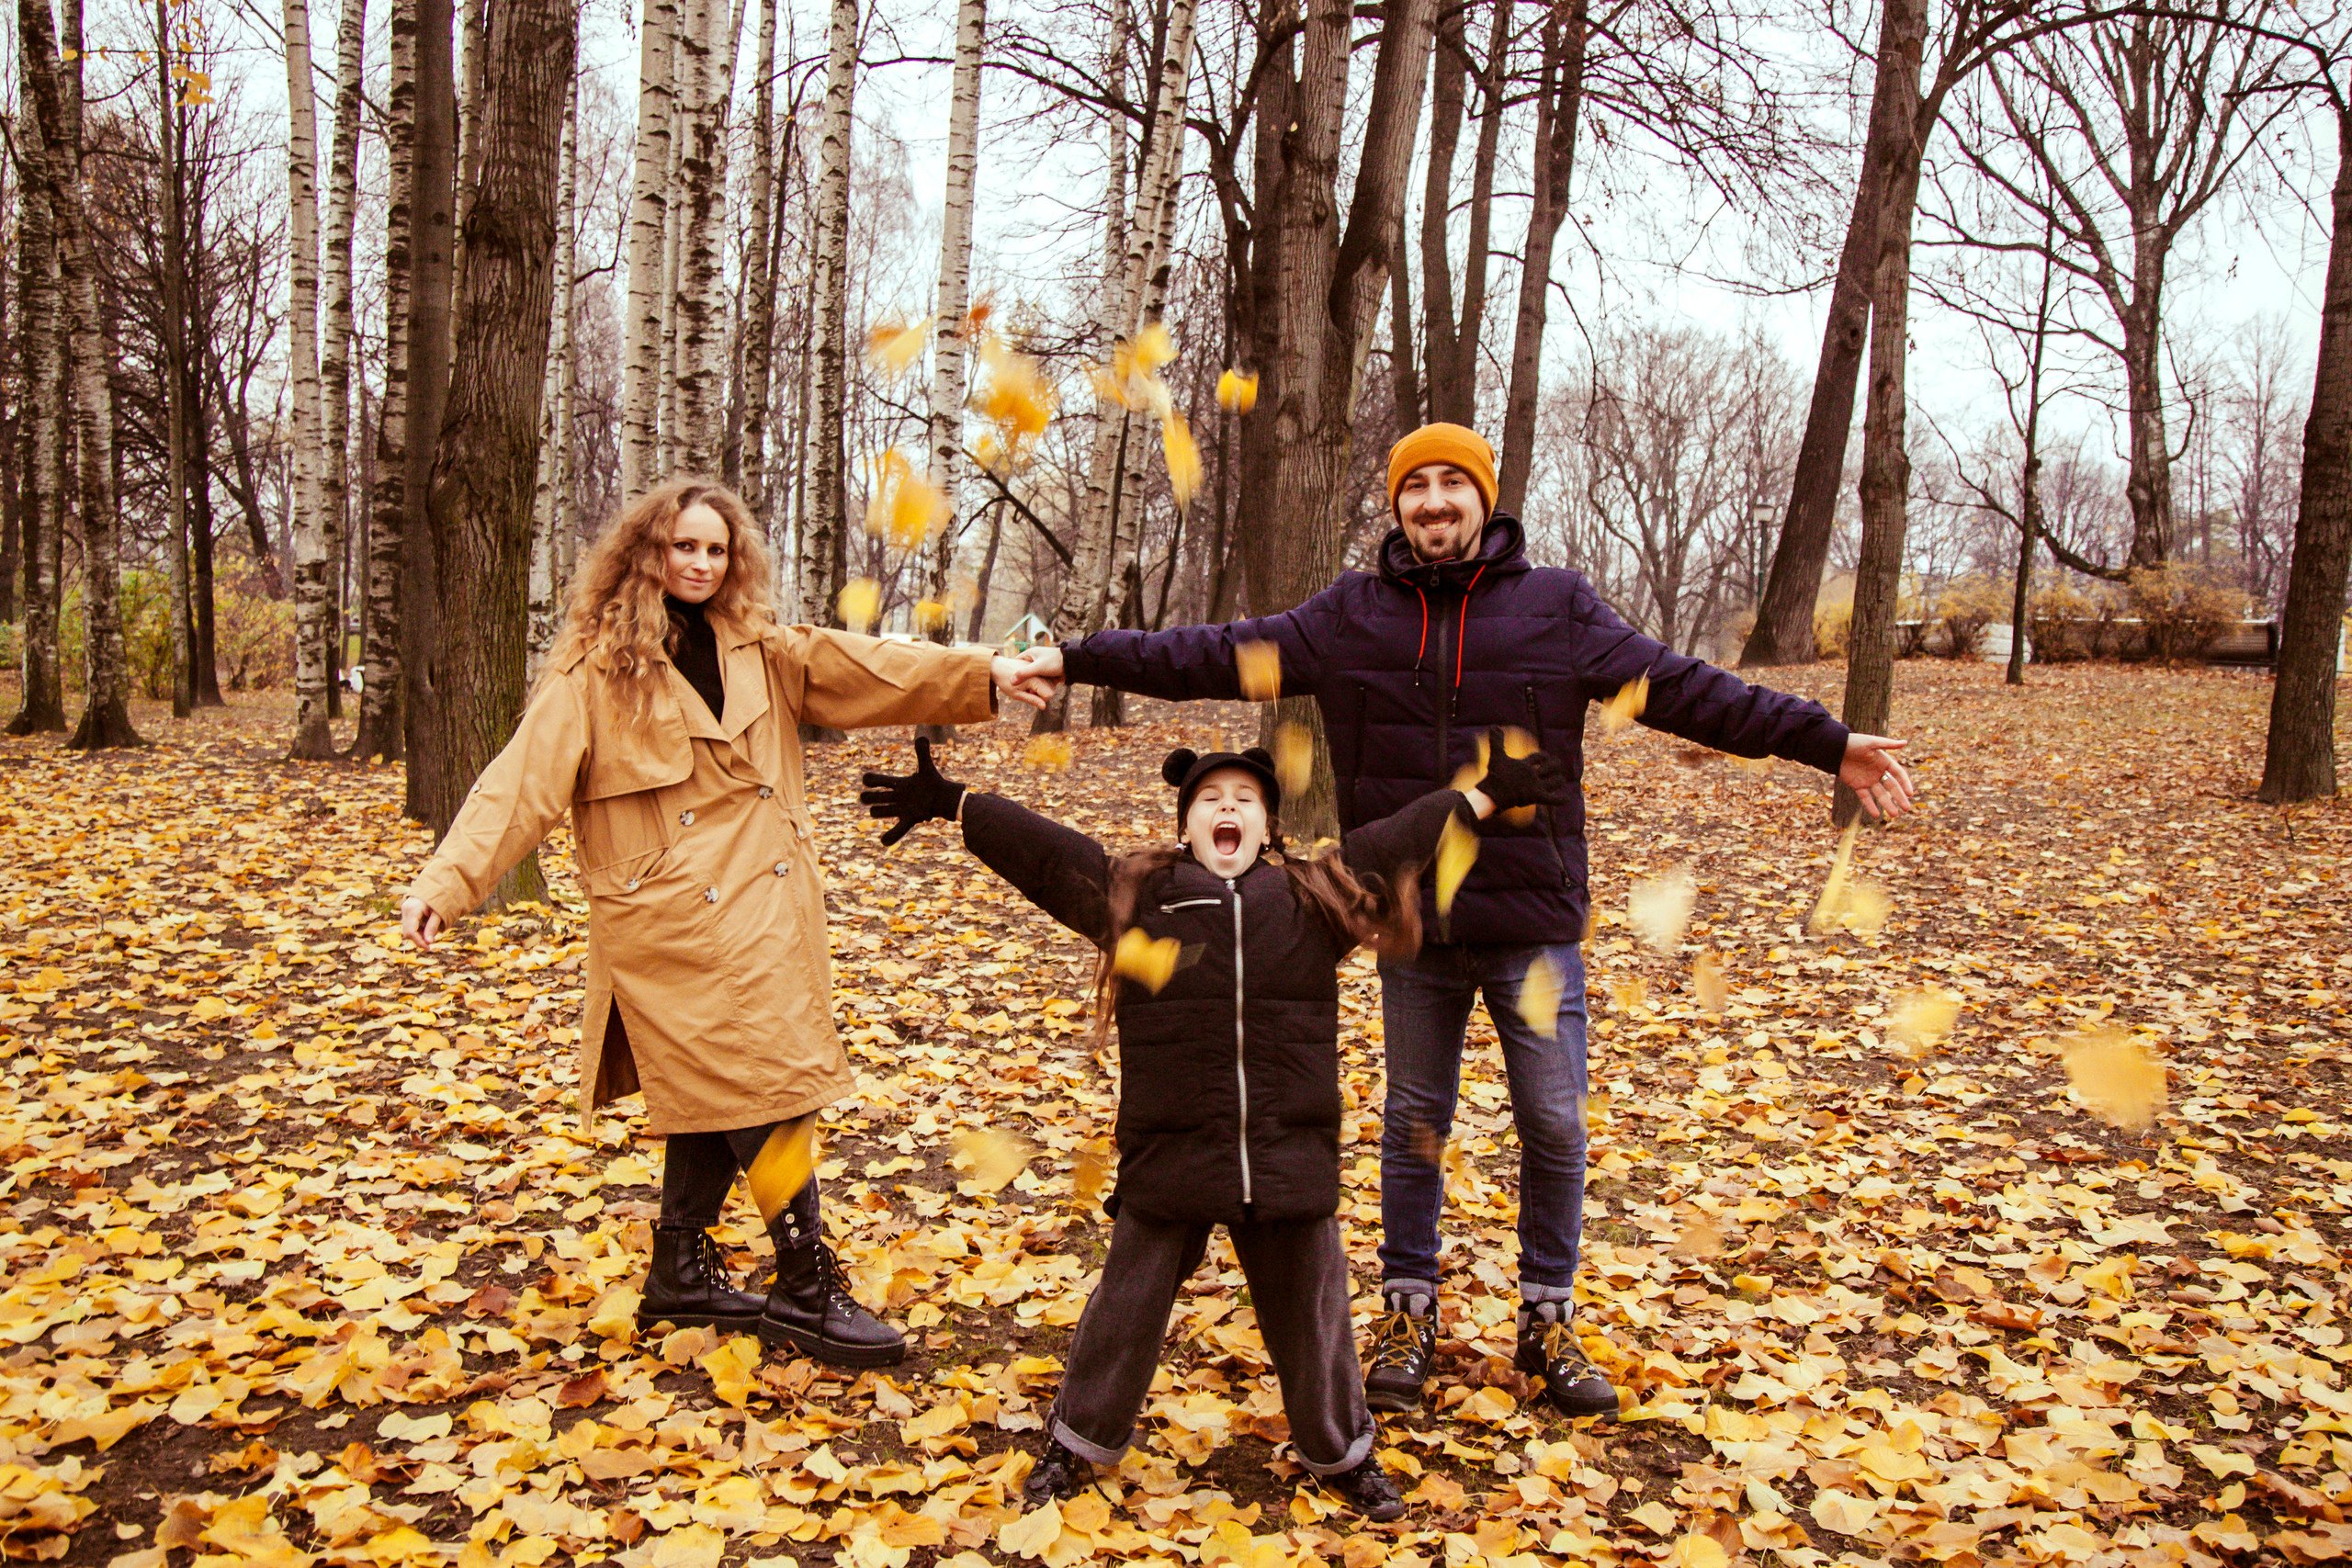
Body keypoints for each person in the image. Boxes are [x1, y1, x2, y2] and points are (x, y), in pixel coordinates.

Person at [1002, 422, 1916, 1418]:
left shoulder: (1556, 608)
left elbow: (1688, 691)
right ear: (1396, 506)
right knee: (1414, 1124)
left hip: (1532, 920)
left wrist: (1826, 742)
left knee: (1554, 1121)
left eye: (1452, 484)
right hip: (1413, 921)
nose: (1434, 502)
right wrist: (1076, 657)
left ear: (1485, 498)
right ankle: (1407, 1309)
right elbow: (1210, 653)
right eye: (1416, 487)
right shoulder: (1351, 617)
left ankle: (1548, 1315)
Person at [397, 478, 1045, 1369]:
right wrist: (448, 881)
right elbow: (521, 781)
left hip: (764, 908)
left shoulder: (762, 647)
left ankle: (680, 1267)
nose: (700, 564)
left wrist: (984, 672)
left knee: (722, 1086)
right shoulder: (596, 671)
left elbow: (870, 666)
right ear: (647, 555)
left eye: (715, 549)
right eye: (683, 547)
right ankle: (805, 1280)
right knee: (768, 1088)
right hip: (670, 920)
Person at [859, 734, 1570, 1517]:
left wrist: (1482, 796)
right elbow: (1051, 857)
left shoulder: (1311, 901)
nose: (1226, 807)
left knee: (1315, 1312)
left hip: (1286, 1150)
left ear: (1268, 829)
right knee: (1125, 1305)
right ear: (1185, 825)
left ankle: (1343, 1451)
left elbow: (1396, 842)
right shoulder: (1140, 898)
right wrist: (958, 802)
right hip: (1173, 1148)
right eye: (1209, 799)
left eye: (1244, 800)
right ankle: (1077, 1440)